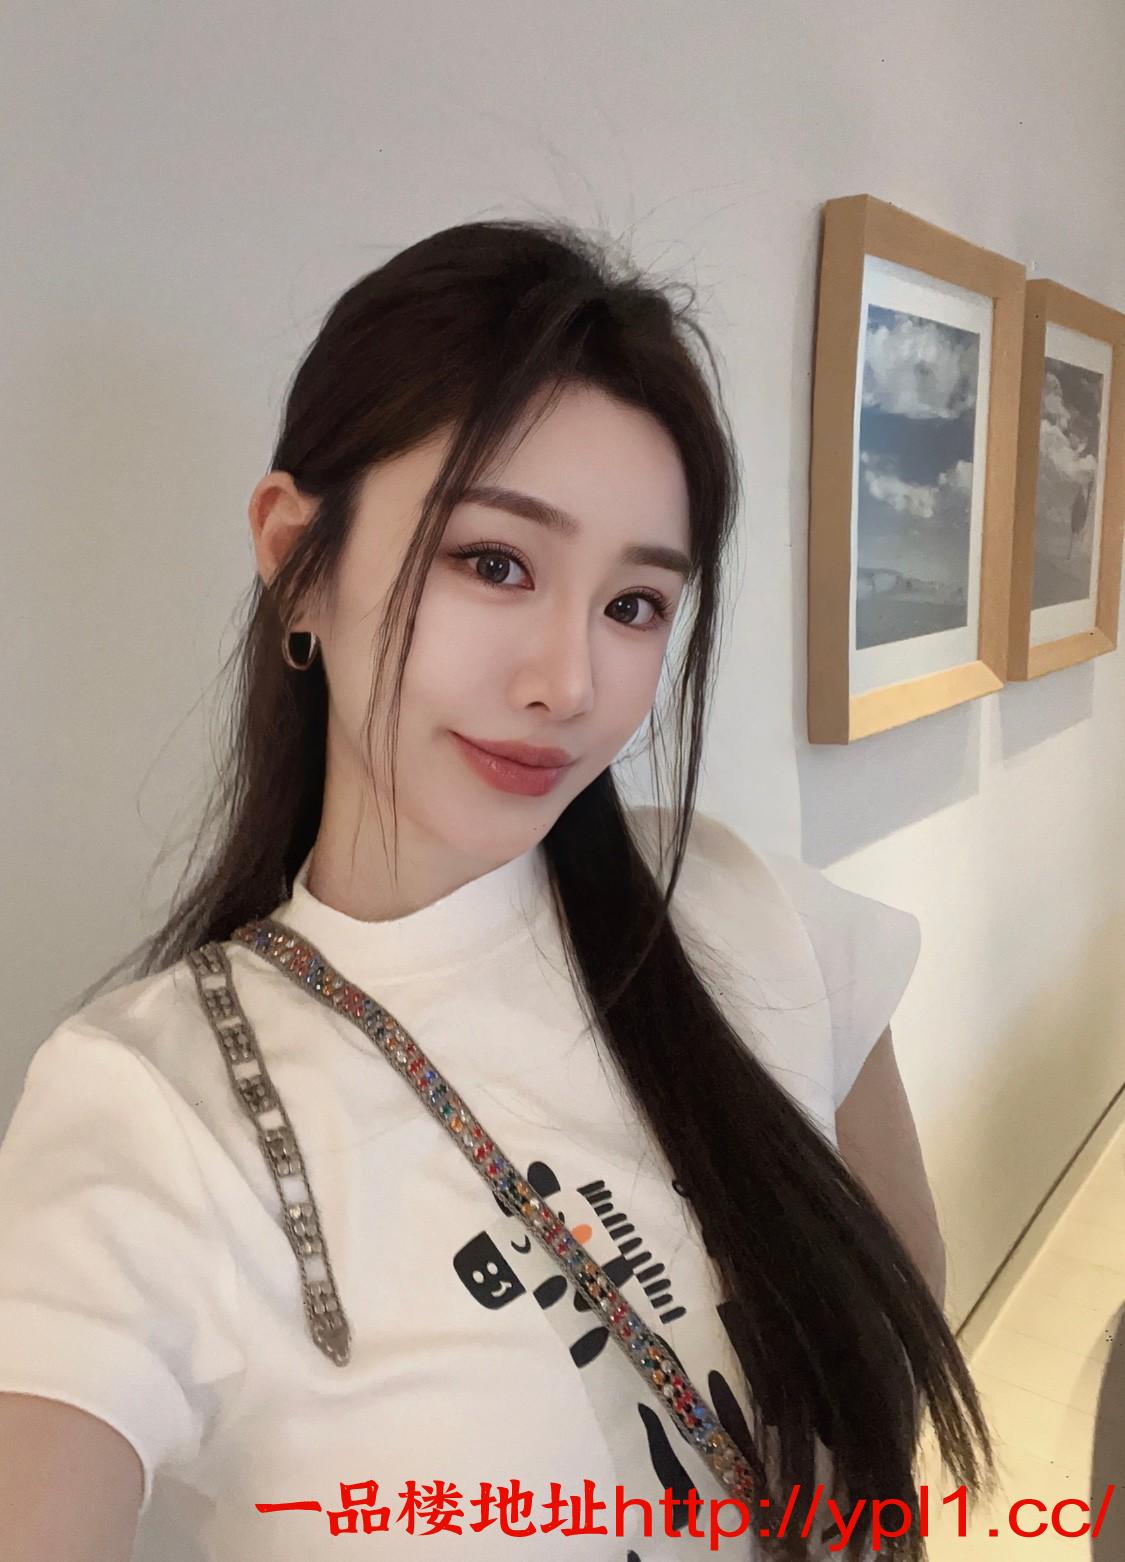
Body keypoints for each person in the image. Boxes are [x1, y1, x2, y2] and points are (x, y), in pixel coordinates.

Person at [0, 218, 994, 1562]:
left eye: (634, 605)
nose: (567, 684)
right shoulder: (145, 1109)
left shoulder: (737, 905)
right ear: (297, 558)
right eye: (494, 562)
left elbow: (893, 1321)